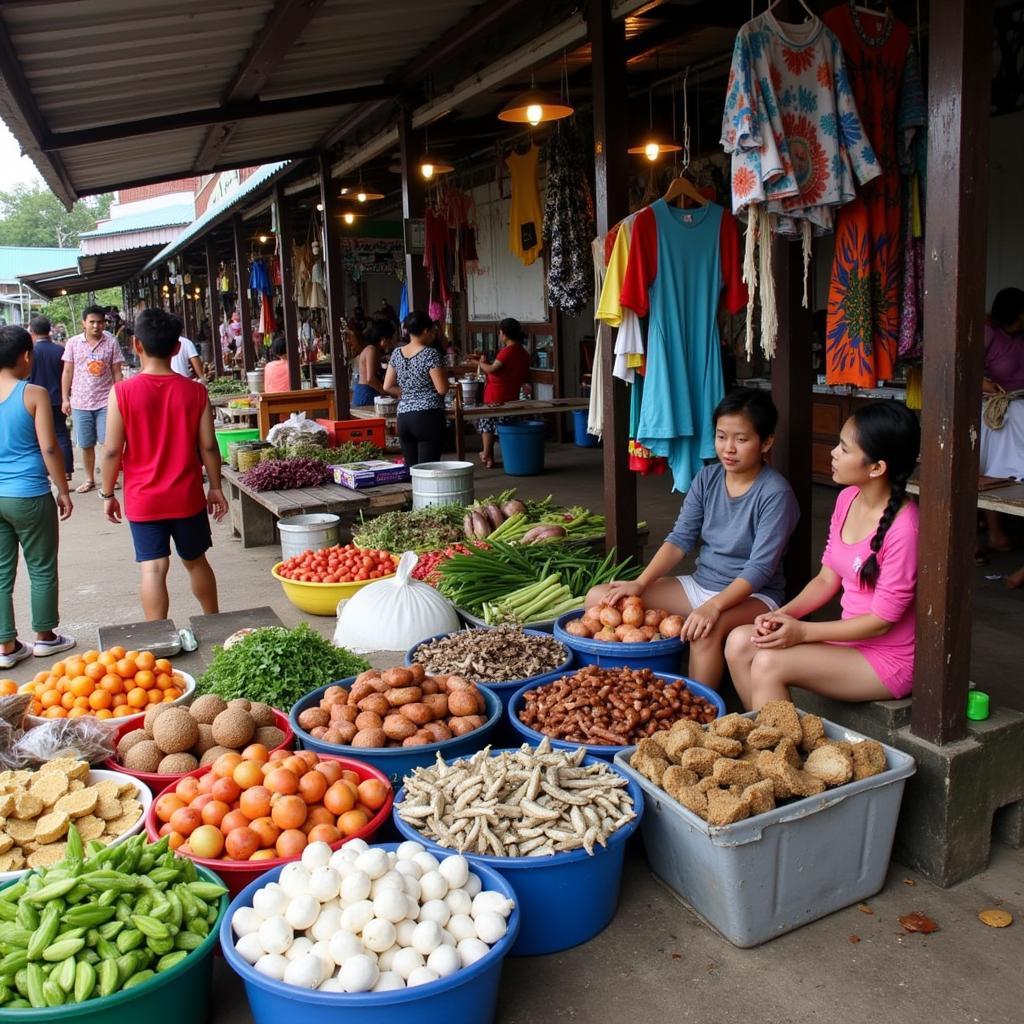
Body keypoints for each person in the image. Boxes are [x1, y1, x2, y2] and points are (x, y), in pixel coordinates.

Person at [589, 389, 799, 691]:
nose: (728, 448)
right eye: (721, 436)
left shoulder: (775, 494)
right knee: (600, 597)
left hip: (753, 596)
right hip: (701, 584)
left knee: (706, 630)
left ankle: (695, 717)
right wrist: (640, 583)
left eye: (741, 439)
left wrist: (714, 606)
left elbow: (760, 569)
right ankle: (617, 691)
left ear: (766, 442)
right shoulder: (707, 478)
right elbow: (679, 539)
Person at [725, 401, 921, 710]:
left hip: (886, 660)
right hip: (846, 642)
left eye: (844, 449)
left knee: (768, 662)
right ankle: (768, 742)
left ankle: (776, 751)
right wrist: (782, 616)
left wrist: (803, 632)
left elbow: (881, 622)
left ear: (877, 467)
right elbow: (826, 578)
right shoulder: (847, 498)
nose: (833, 453)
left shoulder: (905, 529)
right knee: (739, 642)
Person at [100, 308, 228, 621]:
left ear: (136, 345)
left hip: (144, 499)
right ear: (176, 348)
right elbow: (209, 446)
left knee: (154, 568)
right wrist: (214, 486)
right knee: (196, 560)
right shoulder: (196, 391)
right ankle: (214, 623)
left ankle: (156, 639)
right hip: (186, 497)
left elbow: (113, 450)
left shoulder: (122, 392)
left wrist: (107, 494)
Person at [0, 325, 75, 669]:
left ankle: (7, 644)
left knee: (2, 573)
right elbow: (49, 446)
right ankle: (45, 637)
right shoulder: (34, 394)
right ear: (26, 356)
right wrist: (63, 488)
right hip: (29, 493)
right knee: (41, 567)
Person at [980, 287, 1024, 557]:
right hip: (996, 407)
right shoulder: (989, 334)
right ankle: (995, 530)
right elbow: (965, 365)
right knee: (995, 459)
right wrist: (984, 383)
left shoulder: (1020, 338)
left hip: (1021, 404)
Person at [61, 304, 123, 493]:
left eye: (100, 322)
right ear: (84, 323)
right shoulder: (73, 343)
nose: (96, 326)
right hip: (80, 402)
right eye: (92, 322)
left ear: (105, 323)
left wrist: (120, 397)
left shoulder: (111, 342)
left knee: (108, 443)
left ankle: (109, 478)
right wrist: (65, 398)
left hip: (106, 401)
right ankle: (89, 480)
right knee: (86, 444)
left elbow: (117, 372)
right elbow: (68, 371)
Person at [383, 310, 449, 467]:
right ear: (426, 330)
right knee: (428, 471)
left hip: (404, 417)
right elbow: (442, 389)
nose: (434, 335)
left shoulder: (397, 353)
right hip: (427, 416)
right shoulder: (430, 354)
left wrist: (408, 392)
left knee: (412, 471)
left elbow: (387, 386)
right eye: (433, 331)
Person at [468, 318, 531, 469]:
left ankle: (487, 455)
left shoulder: (507, 351)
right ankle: (489, 455)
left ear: (504, 334)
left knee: (488, 424)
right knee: (502, 425)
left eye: (500, 332)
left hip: (497, 395)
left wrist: (477, 363)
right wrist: (484, 362)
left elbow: (492, 369)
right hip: (512, 393)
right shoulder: (523, 352)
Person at [27, 315, 73, 482]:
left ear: (32, 331)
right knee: (61, 434)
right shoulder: (60, 350)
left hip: (35, 402)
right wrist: (67, 396)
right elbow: (68, 375)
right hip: (58, 399)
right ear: (50, 330)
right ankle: (66, 470)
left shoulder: (30, 353)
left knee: (38, 436)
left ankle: (46, 469)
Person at [352, 318, 394, 407]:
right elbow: (370, 379)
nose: (391, 343)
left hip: (367, 391)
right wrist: (385, 392)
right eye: (390, 340)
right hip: (366, 393)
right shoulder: (372, 350)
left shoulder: (372, 350)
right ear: (383, 339)